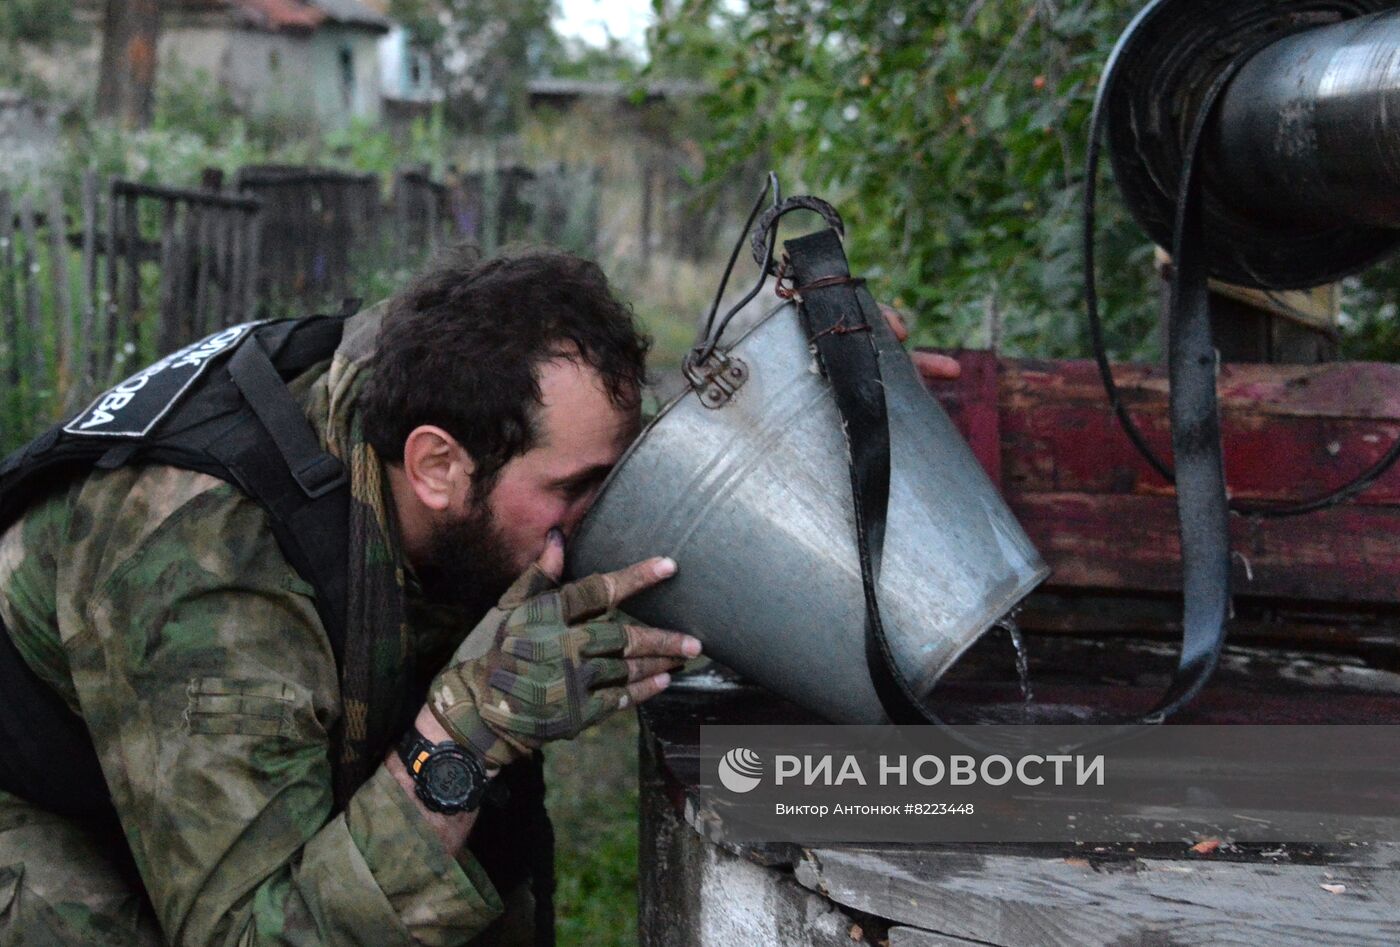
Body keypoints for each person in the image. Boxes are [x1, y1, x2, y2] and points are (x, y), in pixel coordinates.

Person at [0, 246, 959, 945]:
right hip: (43, 807)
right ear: (437, 468)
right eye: (580, 492)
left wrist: (811, 418)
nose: (605, 521)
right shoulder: (213, 579)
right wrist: (462, 735)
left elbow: (614, 460)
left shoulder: (448, 399)